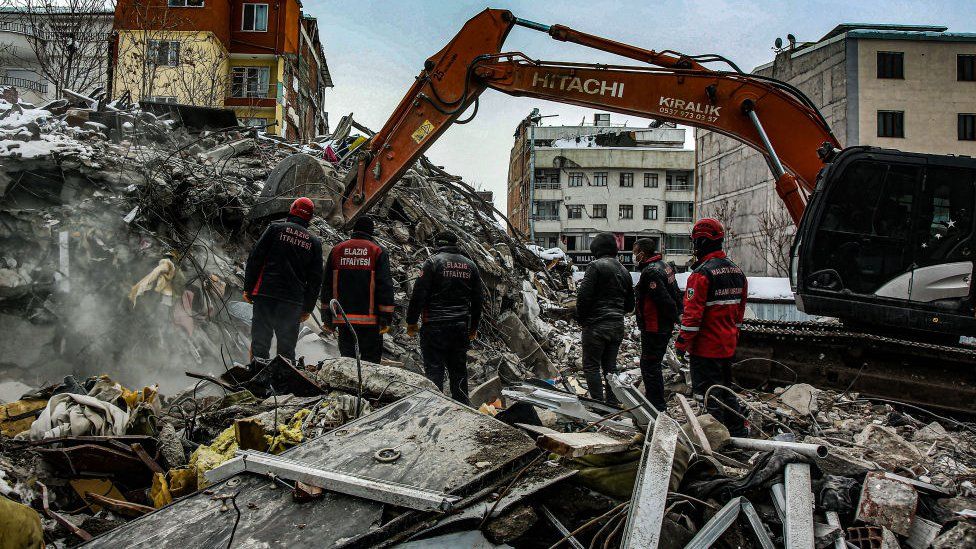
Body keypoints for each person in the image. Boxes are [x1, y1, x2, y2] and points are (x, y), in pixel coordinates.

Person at [675, 218, 749, 436]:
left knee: (708, 395)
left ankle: (715, 438)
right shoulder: (737, 272)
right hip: (727, 345)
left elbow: (692, 318)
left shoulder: (701, 274)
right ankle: (737, 432)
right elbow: (739, 313)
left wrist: (681, 345)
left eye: (695, 242)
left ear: (701, 243)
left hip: (705, 348)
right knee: (727, 391)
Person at [406, 230, 483, 405]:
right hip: (459, 327)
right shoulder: (470, 266)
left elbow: (418, 295)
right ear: (455, 244)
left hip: (434, 326)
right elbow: (478, 300)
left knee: (434, 372)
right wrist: (473, 327)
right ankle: (462, 408)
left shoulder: (432, 262)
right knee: (459, 371)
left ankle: (434, 408)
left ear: (438, 244)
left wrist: (411, 322)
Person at [243, 197, 323, 363]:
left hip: (265, 294)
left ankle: (257, 380)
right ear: (310, 217)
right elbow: (315, 280)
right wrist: (307, 308)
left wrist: (248, 288)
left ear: (292, 208)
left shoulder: (275, 229)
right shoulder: (314, 242)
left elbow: (255, 259)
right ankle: (283, 385)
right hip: (292, 302)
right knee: (286, 349)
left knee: (261, 341)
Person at [321, 216, 394, 364]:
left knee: (347, 363)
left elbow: (327, 284)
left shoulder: (337, 250)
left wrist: (327, 316)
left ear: (354, 230)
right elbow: (384, 285)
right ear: (371, 232)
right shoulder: (377, 251)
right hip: (370, 321)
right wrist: (386, 317)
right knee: (370, 364)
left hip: (344, 320)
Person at [576, 232, 634, 403]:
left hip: (596, 326)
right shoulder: (625, 271)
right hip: (617, 326)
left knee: (591, 366)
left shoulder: (595, 266)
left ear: (596, 250)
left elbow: (583, 297)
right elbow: (630, 305)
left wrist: (582, 319)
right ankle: (613, 403)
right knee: (610, 368)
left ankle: (598, 404)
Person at [633, 238, 681, 411]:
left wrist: (674, 317)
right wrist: (677, 316)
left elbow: (663, 299)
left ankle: (656, 406)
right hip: (662, 325)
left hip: (654, 326)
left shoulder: (650, 272)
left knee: (649, 365)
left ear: (642, 253)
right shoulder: (664, 266)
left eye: (635, 252)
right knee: (653, 364)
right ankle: (655, 403)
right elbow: (675, 292)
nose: (634, 256)